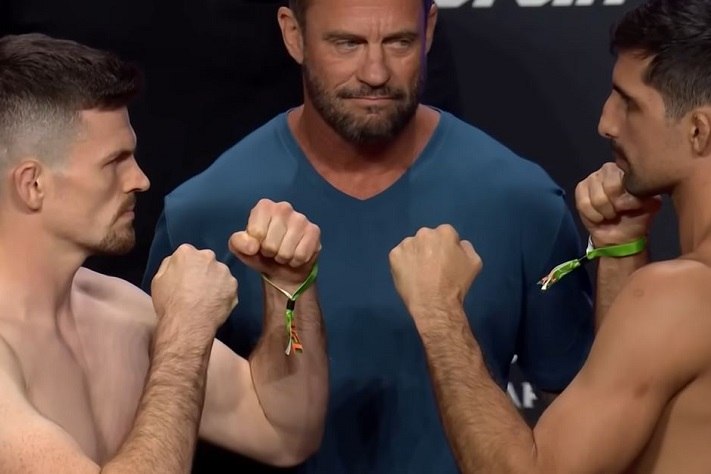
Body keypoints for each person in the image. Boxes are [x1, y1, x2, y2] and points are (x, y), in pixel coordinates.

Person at [143, 0, 594, 472]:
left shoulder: (521, 202)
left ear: (429, 29)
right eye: (347, 44)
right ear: (293, 35)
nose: (375, 73)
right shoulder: (203, 213)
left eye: (399, 42)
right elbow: (158, 418)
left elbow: (588, 418)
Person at [388, 0, 711, 472]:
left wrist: (438, 314)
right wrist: (621, 246)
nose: (606, 122)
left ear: (699, 131)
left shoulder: (678, 297)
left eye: (629, 103)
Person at [0, 33, 328, 473]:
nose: (140, 179)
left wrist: (289, 289)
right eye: (114, 162)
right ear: (33, 184)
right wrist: (185, 334)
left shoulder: (119, 311)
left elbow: (285, 432)